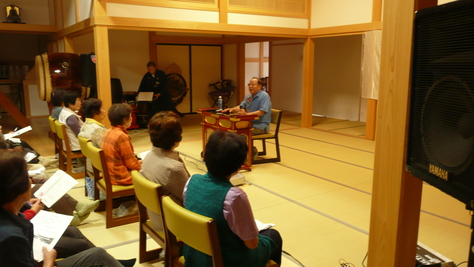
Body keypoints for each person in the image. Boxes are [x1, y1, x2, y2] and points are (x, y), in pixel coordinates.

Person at [0, 153, 136, 267]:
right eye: (27, 178)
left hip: (32, 256)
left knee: (74, 231)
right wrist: (48, 261)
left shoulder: (8, 212)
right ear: (17, 189)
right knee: (97, 255)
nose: (31, 181)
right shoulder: (11, 237)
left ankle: (113, 263)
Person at [183, 130, 283, 266]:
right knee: (273, 236)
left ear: (206, 156)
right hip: (226, 260)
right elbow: (252, 244)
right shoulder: (233, 195)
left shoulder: (191, 181)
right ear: (239, 166)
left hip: (194, 254)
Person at [140, 111, 190, 231]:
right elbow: (190, 199)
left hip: (156, 218)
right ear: (177, 137)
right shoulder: (173, 168)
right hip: (175, 224)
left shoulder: (148, 157)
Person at [102, 103, 141, 185]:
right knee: (154, 172)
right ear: (124, 119)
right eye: (130, 116)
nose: (131, 118)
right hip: (122, 177)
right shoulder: (121, 136)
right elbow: (132, 164)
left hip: (110, 175)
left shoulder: (108, 131)